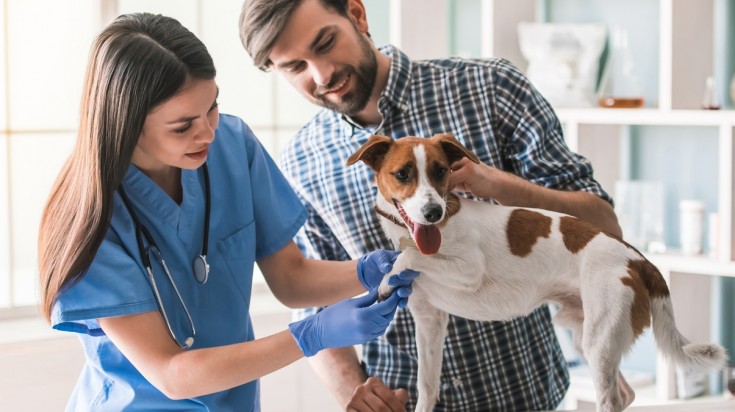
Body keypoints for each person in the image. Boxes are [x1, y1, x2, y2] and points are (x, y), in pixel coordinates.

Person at [239, 0, 623, 411]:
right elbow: (315, 303)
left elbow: (606, 228)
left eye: (326, 42)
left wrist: (504, 187)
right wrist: (355, 391)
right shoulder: (301, 162)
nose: (322, 74)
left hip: (526, 394)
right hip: (407, 398)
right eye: (295, 67)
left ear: (357, 14)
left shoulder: (490, 88)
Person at [37, 12, 419, 411]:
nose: (207, 132)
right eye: (183, 126)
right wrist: (311, 335)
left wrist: (365, 271)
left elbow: (291, 279)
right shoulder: (91, 214)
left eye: (212, 107)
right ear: (127, 125)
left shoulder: (232, 146)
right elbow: (171, 373)